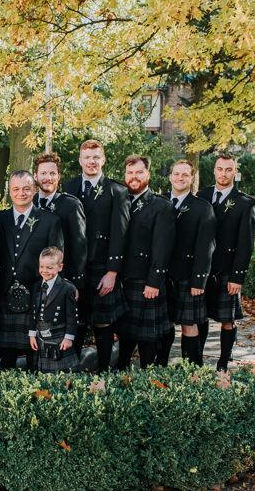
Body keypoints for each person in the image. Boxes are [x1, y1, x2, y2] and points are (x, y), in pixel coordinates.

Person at [62, 140, 129, 372]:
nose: (91, 161)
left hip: (102, 267)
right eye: (87, 157)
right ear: (80, 160)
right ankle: (73, 371)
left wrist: (112, 272)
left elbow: (120, 234)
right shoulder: (67, 186)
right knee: (76, 320)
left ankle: (103, 371)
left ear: (103, 160)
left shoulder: (117, 191)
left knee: (103, 322)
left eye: (96, 157)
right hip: (73, 267)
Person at [197, 152, 255, 372]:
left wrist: (237, 276)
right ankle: (198, 359)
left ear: (235, 171)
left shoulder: (245, 203)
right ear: (214, 171)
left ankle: (223, 362)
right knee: (200, 317)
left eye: (228, 169)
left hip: (227, 270)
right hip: (202, 269)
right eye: (220, 169)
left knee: (227, 319)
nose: (224, 174)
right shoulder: (201, 196)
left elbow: (246, 244)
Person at [0, 171, 63, 370]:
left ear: (35, 190)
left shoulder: (50, 221)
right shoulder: (0, 219)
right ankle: (5, 390)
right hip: (4, 292)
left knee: (34, 348)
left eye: (26, 188)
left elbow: (57, 256)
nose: (21, 193)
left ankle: (34, 391)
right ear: (9, 192)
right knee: (5, 349)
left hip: (36, 291)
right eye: (16, 189)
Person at [115, 155, 175, 369]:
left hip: (145, 279)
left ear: (147, 175)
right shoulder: (120, 200)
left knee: (148, 335)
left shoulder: (161, 205)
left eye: (139, 172)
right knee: (125, 330)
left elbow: (163, 247)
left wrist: (154, 281)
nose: (134, 177)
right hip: (123, 278)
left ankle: (147, 374)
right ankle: (121, 368)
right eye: (130, 173)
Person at [160, 160, 215, 366]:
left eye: (185, 175)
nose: (180, 178)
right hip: (163, 275)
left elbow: (206, 247)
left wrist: (199, 280)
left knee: (189, 324)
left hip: (188, 276)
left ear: (192, 179)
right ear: (171, 176)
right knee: (165, 324)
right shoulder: (160, 201)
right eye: (176, 174)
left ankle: (192, 369)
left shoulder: (202, 207)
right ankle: (160, 365)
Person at [32, 152, 87, 290]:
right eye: (43, 173)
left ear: (58, 176)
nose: (48, 178)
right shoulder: (29, 202)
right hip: (33, 278)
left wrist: (72, 283)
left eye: (52, 173)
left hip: (61, 279)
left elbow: (79, 247)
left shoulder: (71, 205)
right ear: (35, 176)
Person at [28, 247, 80, 373]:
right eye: (42, 266)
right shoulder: (36, 286)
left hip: (59, 336)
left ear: (60, 267)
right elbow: (33, 312)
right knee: (43, 373)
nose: (44, 271)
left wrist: (69, 338)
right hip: (41, 336)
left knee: (64, 373)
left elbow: (72, 316)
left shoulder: (66, 288)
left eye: (49, 268)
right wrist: (32, 335)